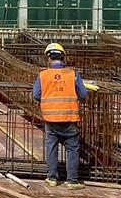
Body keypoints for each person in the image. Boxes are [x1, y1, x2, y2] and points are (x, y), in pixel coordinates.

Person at [32, 42, 88, 189]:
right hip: (69, 118)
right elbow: (83, 94)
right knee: (72, 149)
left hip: (50, 119)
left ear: (49, 58)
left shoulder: (43, 75)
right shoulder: (73, 74)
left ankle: (52, 178)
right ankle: (72, 181)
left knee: (51, 147)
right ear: (63, 57)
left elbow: (36, 94)